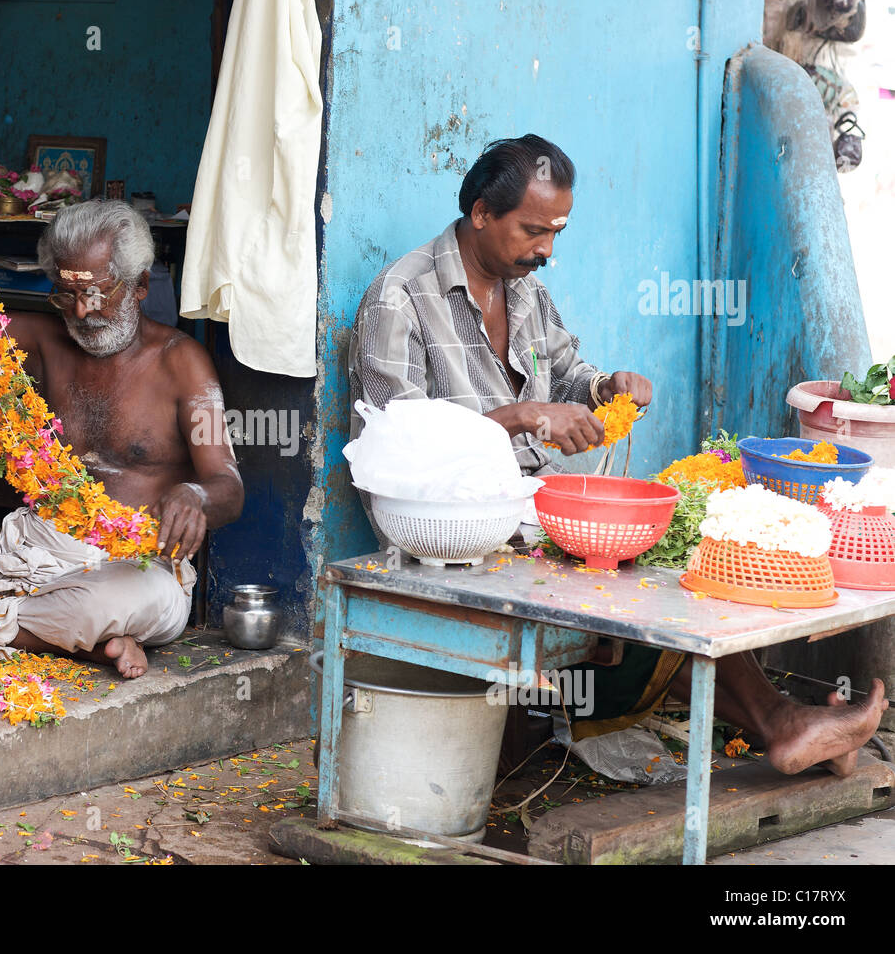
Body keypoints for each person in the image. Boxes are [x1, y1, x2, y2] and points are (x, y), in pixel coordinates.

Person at [348, 134, 886, 774]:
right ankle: (784, 722)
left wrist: (608, 388)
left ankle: (781, 720)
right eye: (531, 230)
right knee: (636, 580)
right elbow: (396, 449)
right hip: (444, 532)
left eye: (556, 232)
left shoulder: (525, 291)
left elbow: (570, 373)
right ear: (480, 211)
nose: (545, 249)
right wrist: (518, 417)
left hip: (527, 509)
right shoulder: (399, 298)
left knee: (678, 552)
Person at [0, 200, 244, 678]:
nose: (82, 311)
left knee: (127, 600)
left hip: (126, 573)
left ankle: (40, 630)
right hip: (26, 561)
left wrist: (195, 495)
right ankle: (79, 646)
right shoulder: (45, 341)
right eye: (66, 294)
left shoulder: (183, 364)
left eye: (98, 294)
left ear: (141, 285)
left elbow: (228, 485)